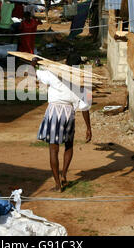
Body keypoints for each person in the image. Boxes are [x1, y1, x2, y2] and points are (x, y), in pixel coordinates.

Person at [30, 57, 92, 192]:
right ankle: (63, 175)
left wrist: (33, 64)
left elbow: (34, 73)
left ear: (65, 64)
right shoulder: (82, 82)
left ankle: (58, 184)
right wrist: (88, 128)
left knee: (54, 149)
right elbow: (85, 107)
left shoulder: (53, 73)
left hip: (54, 112)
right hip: (69, 113)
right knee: (69, 145)